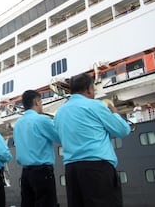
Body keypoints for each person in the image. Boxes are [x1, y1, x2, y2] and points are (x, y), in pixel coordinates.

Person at [54, 73, 131, 207]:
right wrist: (115, 112)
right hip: (97, 169)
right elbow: (122, 130)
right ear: (89, 89)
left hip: (71, 170)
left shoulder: (60, 112)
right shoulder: (95, 105)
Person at [13, 90, 60, 207]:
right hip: (42, 171)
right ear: (36, 102)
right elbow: (60, 137)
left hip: (25, 173)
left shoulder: (17, 124)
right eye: (41, 102)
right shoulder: (42, 120)